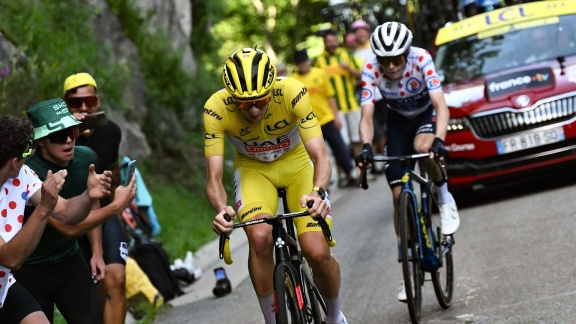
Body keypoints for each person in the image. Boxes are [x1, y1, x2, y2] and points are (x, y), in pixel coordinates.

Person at [206, 48, 347, 324]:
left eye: (260, 100)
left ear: (272, 87)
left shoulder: (293, 92)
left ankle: (333, 316)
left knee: (316, 252)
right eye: (244, 104)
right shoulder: (216, 108)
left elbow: (320, 157)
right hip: (253, 170)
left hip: (298, 165)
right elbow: (213, 176)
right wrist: (222, 208)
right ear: (231, 98)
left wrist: (318, 192)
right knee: (259, 238)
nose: (255, 109)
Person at [356, 22, 461, 302]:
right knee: (397, 195)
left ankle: (444, 196)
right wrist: (366, 146)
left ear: (406, 52)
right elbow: (366, 115)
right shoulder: (370, 68)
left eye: (396, 59)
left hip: (425, 115)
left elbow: (441, 104)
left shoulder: (421, 58)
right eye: (385, 60)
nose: (390, 66)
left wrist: (439, 138)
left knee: (423, 148)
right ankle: (409, 262)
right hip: (398, 123)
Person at [12, 98, 136, 323]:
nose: (69, 140)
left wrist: (97, 253)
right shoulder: (28, 172)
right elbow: (68, 226)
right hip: (31, 269)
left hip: (69, 260)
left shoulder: (86, 157)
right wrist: (116, 206)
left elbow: (93, 202)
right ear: (40, 141)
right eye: (60, 136)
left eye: (73, 131)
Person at [0, 114, 111, 323]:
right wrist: (42, 209)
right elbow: (10, 258)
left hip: (4, 286)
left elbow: (67, 212)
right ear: (13, 161)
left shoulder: (21, 175)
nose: (30, 155)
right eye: (27, 152)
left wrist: (89, 195)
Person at [62, 72, 128, 324]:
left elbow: (114, 168)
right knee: (89, 293)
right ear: (65, 104)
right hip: (70, 214)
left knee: (116, 278)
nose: (83, 108)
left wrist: (117, 209)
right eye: (76, 103)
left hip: (102, 211)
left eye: (89, 101)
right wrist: (74, 132)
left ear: (97, 101)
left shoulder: (111, 132)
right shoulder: (60, 135)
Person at [290, 48, 357, 188]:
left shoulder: (320, 73)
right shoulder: (293, 80)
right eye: (300, 63)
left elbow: (330, 96)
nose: (303, 65)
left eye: (304, 62)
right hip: (308, 123)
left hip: (327, 118)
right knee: (316, 153)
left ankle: (351, 173)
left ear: (308, 61)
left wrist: (336, 116)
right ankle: (325, 182)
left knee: (340, 147)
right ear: (297, 64)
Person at [313, 29, 364, 184]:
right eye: (329, 41)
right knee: (341, 143)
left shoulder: (347, 55)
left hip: (352, 105)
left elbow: (361, 75)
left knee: (357, 139)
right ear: (325, 43)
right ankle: (344, 175)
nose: (332, 44)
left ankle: (360, 172)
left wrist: (348, 69)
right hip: (335, 110)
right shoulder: (319, 61)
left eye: (334, 41)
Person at [351, 19, 387, 170]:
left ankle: (386, 155)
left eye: (363, 31)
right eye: (357, 33)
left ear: (368, 32)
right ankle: (377, 161)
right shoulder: (353, 55)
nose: (361, 35)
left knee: (387, 127)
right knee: (375, 129)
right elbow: (356, 77)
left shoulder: (376, 47)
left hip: (384, 94)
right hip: (367, 97)